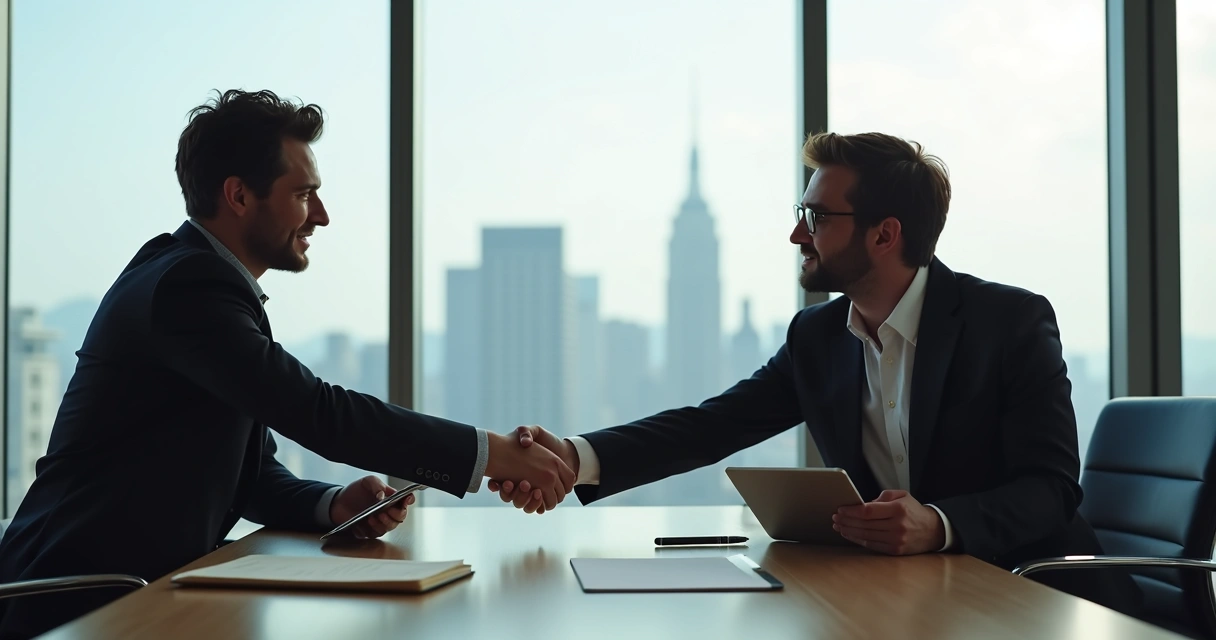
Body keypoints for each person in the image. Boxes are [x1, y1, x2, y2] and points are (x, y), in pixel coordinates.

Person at [0, 89, 574, 639]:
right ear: (239, 196)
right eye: (303, 194)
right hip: (71, 603)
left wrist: (331, 504)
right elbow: (317, 411)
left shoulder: (198, 278)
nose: (321, 216)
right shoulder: (187, 287)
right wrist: (489, 453)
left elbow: (247, 470)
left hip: (139, 597)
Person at [490, 131, 1141, 614]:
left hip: (1032, 595)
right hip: (905, 599)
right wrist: (576, 456)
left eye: (817, 218)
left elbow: (1051, 489)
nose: (798, 236)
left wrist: (938, 522)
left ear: (885, 235)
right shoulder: (819, 336)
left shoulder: (1008, 322)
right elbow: (711, 425)